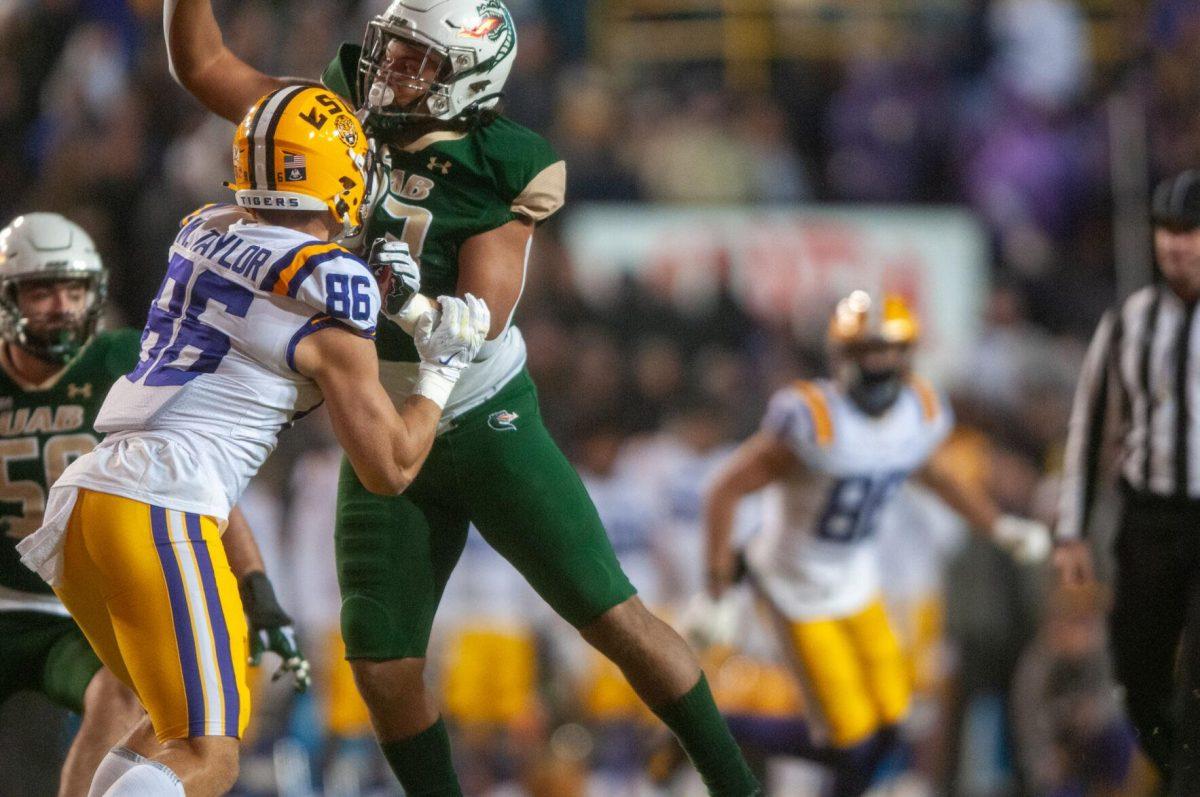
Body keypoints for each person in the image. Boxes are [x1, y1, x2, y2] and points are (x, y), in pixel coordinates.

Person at [164, 2, 762, 794]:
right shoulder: (343, 107)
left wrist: (407, 305)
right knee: (381, 665)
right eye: (392, 52)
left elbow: (482, 318)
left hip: (482, 417)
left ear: (469, 77)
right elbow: (207, 69)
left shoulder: (507, 161)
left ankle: (737, 785)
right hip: (378, 410)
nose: (389, 72)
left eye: (417, 61)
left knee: (612, 617)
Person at [16, 86, 489, 797]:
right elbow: (391, 465)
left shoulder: (204, 225)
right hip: (161, 504)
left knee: (163, 730)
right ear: (338, 175)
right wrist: (443, 369)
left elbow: (273, 278)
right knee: (210, 754)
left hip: (90, 500)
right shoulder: (334, 290)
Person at [0, 211, 305, 795]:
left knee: (128, 697)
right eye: (42, 291)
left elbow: (187, 472)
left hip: (72, 606)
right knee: (204, 747)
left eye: (74, 290)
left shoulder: (121, 357)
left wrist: (256, 583)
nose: (62, 307)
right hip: (12, 589)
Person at [703, 290, 1050, 796]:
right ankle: (719, 731)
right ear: (841, 357)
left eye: (889, 351)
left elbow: (933, 474)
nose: (879, 364)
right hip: (794, 584)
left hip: (856, 577)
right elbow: (726, 487)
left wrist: (997, 525)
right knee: (850, 734)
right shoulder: (813, 419)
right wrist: (717, 588)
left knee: (896, 720)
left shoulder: (920, 411)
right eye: (866, 353)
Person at [1055, 169, 1200, 792]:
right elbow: (1088, 428)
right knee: (1136, 669)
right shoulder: (1127, 323)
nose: (1176, 243)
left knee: (1197, 675)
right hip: (1148, 518)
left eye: (1189, 230)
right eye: (1166, 230)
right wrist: (1070, 531)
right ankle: (1177, 772)